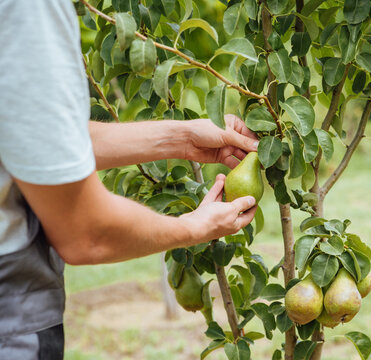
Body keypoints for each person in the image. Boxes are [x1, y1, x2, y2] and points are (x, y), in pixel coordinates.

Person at [0, 0, 258, 358]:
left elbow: (39, 139)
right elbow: (86, 234)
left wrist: (183, 139)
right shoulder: (29, 8)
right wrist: (192, 229)